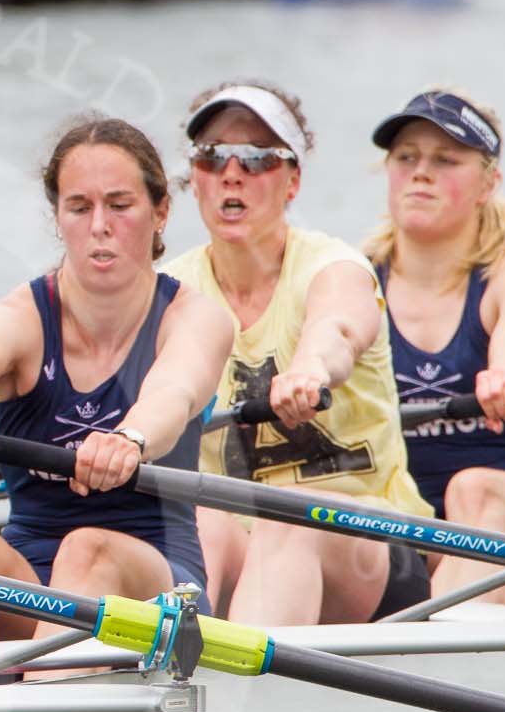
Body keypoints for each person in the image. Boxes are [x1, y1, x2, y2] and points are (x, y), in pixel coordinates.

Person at [163, 80, 434, 625]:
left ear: (292, 182)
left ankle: (238, 697)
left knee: (286, 520)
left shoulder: (334, 267)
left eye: (259, 158)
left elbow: (336, 329)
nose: (232, 174)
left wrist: (310, 370)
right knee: (197, 524)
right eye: (213, 157)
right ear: (194, 178)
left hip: (371, 544)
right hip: (237, 543)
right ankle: (156, 685)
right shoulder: (168, 292)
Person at [0, 114, 234, 642]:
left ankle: (38, 708)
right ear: (58, 217)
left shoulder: (194, 318)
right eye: (79, 208)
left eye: (120, 205)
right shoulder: (20, 317)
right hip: (31, 578)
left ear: (160, 213)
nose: (99, 225)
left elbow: (173, 393)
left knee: (87, 548)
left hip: (157, 576)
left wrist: (128, 439)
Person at [366, 89, 505, 605]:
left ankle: (442, 662)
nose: (421, 173)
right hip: (412, 534)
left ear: (489, 183)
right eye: (407, 158)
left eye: (445, 159)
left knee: (475, 489)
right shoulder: (352, 281)